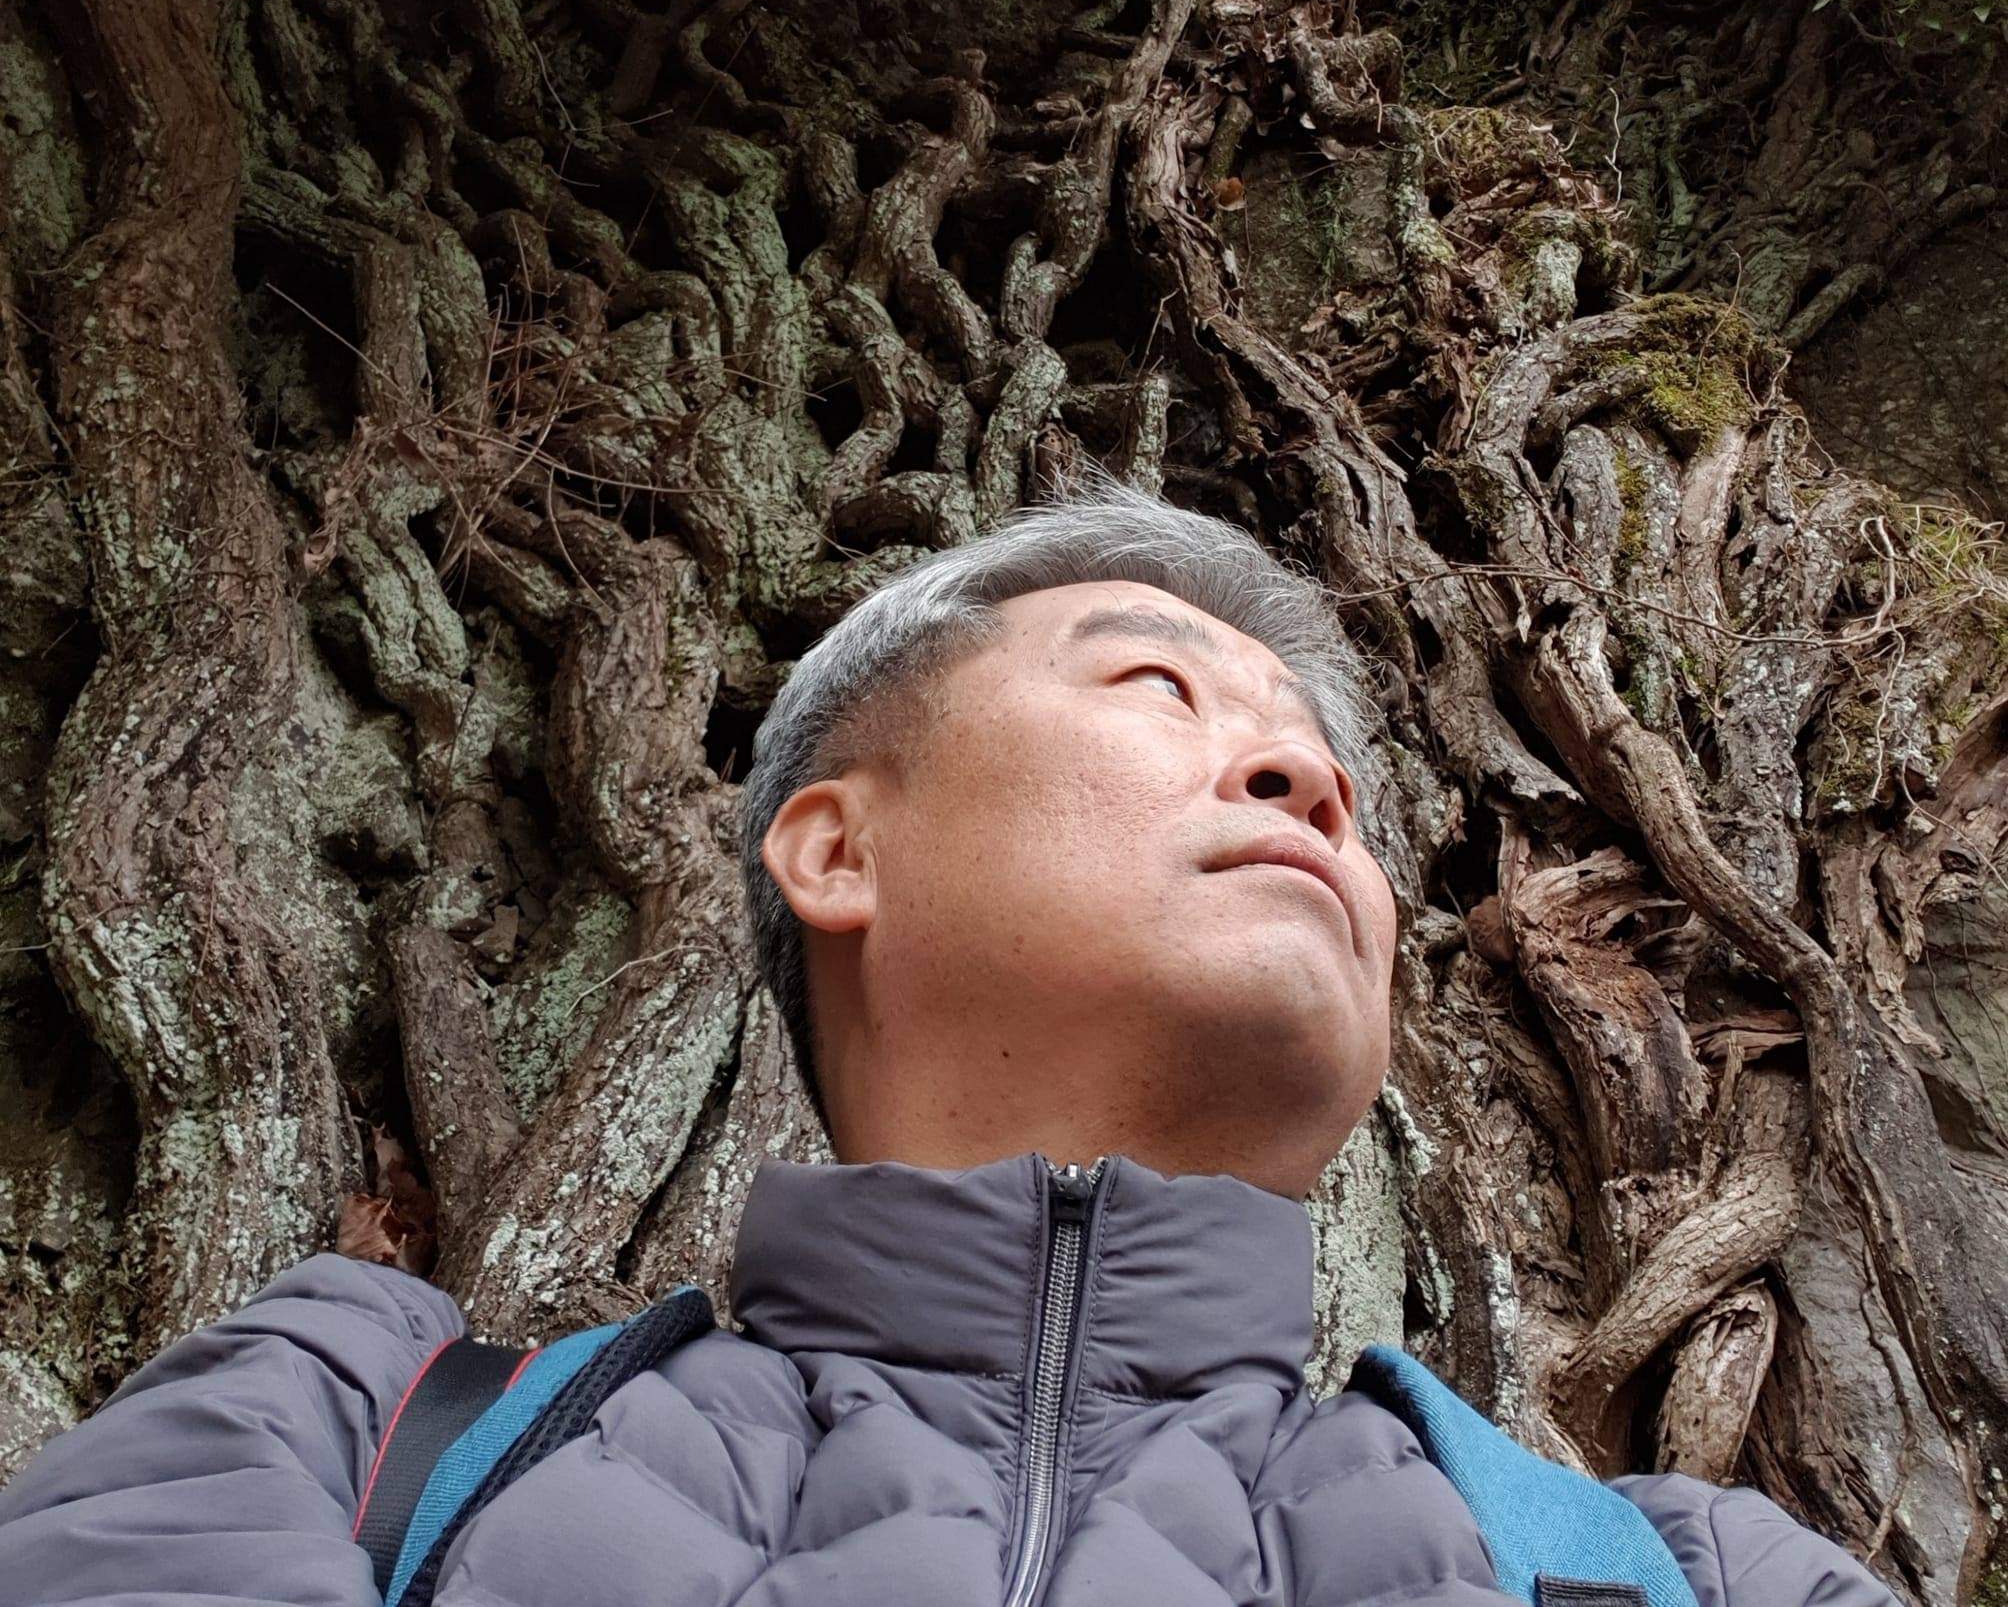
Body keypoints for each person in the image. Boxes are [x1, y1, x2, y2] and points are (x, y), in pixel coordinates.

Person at [0, 473, 1897, 1605]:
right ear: (834, 849)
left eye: (1328, 774)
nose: (1306, 780)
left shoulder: (1693, 1575)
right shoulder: (346, 1427)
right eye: (1159, 685)